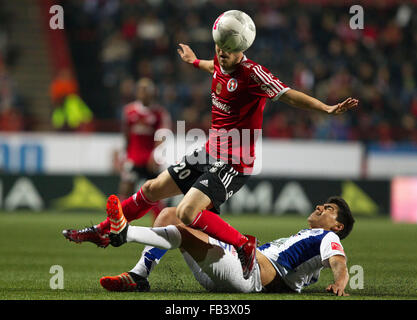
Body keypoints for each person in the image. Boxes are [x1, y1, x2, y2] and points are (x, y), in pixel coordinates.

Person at [63, 10, 358, 282]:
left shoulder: (253, 73)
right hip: (209, 151)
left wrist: (327, 108)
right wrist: (193, 61)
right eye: (218, 49)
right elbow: (211, 66)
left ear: (241, 49)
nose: (221, 55)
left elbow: (289, 94)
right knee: (152, 189)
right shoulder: (219, 58)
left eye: (227, 52)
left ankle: (244, 244)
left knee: (186, 213)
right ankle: (102, 232)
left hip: (235, 160)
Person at [100, 194, 354, 296]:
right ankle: (139, 275)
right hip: (234, 267)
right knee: (170, 214)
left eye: (329, 209)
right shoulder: (309, 239)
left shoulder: (328, 238)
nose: (321, 207)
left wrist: (340, 282)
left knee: (181, 231)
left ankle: (126, 232)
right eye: (324, 205)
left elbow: (338, 261)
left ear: (338, 227)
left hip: (248, 275)